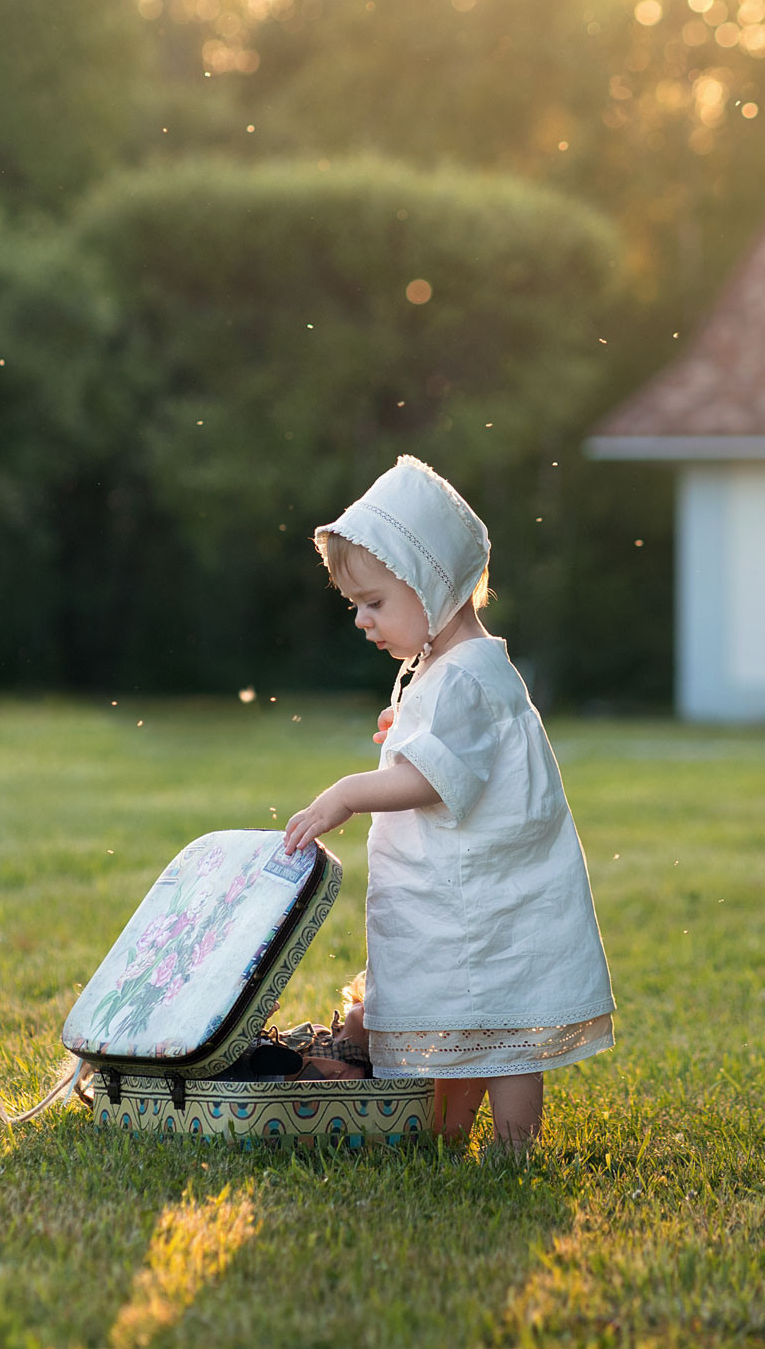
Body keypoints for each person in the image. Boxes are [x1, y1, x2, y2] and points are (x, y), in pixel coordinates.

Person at [283, 456, 615, 1152]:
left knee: (502, 1026)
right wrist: (403, 736)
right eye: (356, 607)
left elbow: (429, 782)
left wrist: (347, 793)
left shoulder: (463, 674)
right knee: (460, 1020)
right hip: (459, 890)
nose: (362, 621)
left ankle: (515, 1146)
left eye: (374, 603)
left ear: (431, 587)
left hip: (482, 898)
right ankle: (446, 1134)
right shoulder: (452, 667)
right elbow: (443, 752)